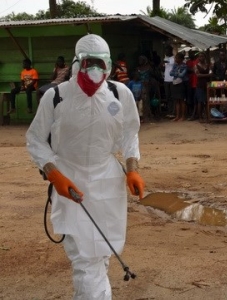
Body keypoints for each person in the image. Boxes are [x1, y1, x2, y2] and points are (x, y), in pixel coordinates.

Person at [26, 34, 145, 299]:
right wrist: (54, 174)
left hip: (108, 182)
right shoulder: (55, 96)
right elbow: (35, 139)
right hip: (71, 182)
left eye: (101, 64)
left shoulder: (119, 93)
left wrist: (132, 167)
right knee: (84, 258)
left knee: (102, 251)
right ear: (77, 62)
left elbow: (130, 132)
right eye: (89, 63)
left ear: (109, 65)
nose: (95, 70)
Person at [170, 52, 188, 121]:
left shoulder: (184, 66)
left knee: (182, 100)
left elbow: (182, 75)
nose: (175, 59)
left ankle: (183, 116)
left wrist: (175, 73)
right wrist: (177, 73)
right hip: (175, 83)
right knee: (177, 100)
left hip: (182, 84)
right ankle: (177, 116)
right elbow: (170, 73)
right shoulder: (175, 65)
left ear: (181, 59)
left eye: (177, 58)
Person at [194, 52, 211, 123]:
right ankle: (200, 117)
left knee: (207, 101)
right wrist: (207, 75)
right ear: (198, 58)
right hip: (200, 85)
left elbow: (211, 74)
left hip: (207, 85)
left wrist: (203, 75)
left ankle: (208, 116)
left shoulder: (208, 65)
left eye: (203, 56)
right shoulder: (196, 66)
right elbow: (198, 75)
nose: (201, 58)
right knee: (200, 101)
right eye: (200, 57)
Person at [163, 45, 175, 118]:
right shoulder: (166, 58)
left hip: (172, 79)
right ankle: (170, 111)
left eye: (167, 50)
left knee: (173, 96)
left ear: (170, 51)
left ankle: (173, 112)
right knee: (168, 96)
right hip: (166, 79)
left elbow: (170, 63)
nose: (166, 52)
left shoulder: (173, 58)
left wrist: (164, 61)